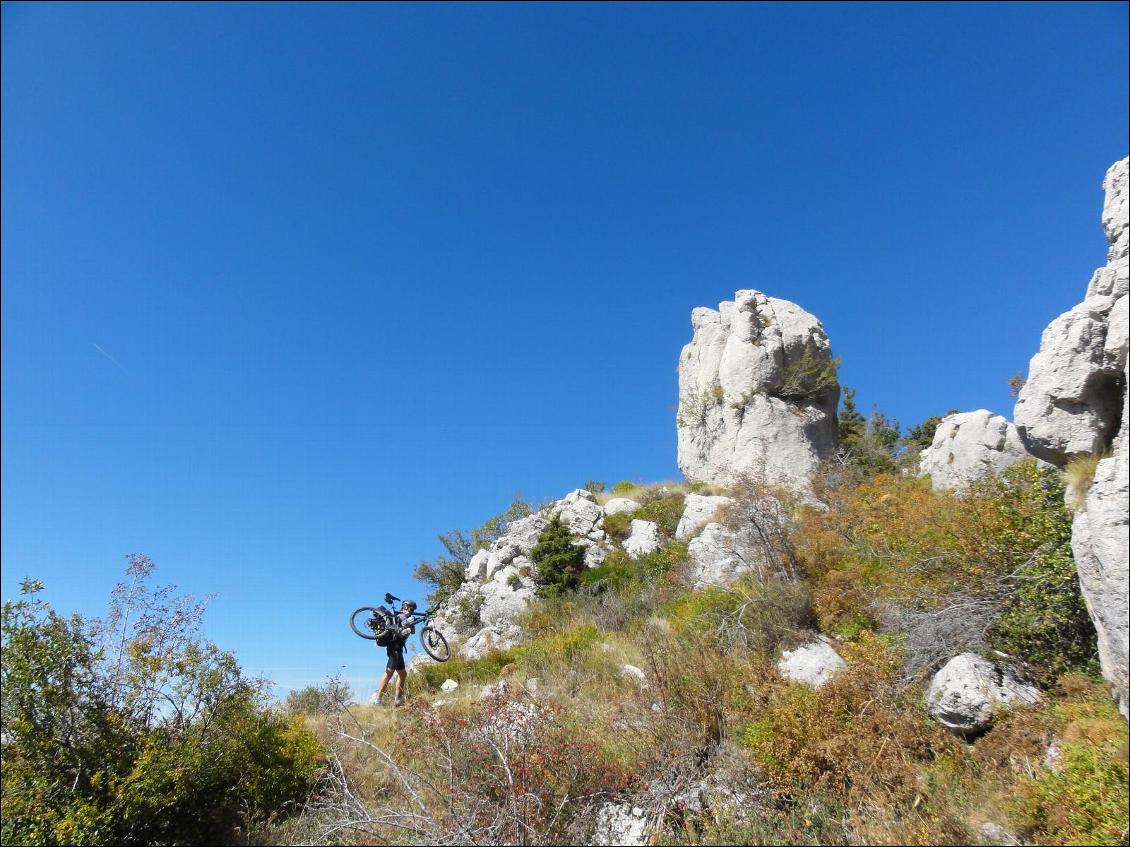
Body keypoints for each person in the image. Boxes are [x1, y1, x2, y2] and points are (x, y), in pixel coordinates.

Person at [374, 598, 417, 707]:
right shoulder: (401, 616)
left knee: (402, 674)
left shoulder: (402, 615)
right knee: (389, 672)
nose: (410, 609)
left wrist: (411, 621)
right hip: (395, 646)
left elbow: (412, 632)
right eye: (410, 607)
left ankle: (398, 700)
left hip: (398, 647)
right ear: (408, 607)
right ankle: (378, 699)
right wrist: (410, 620)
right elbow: (411, 631)